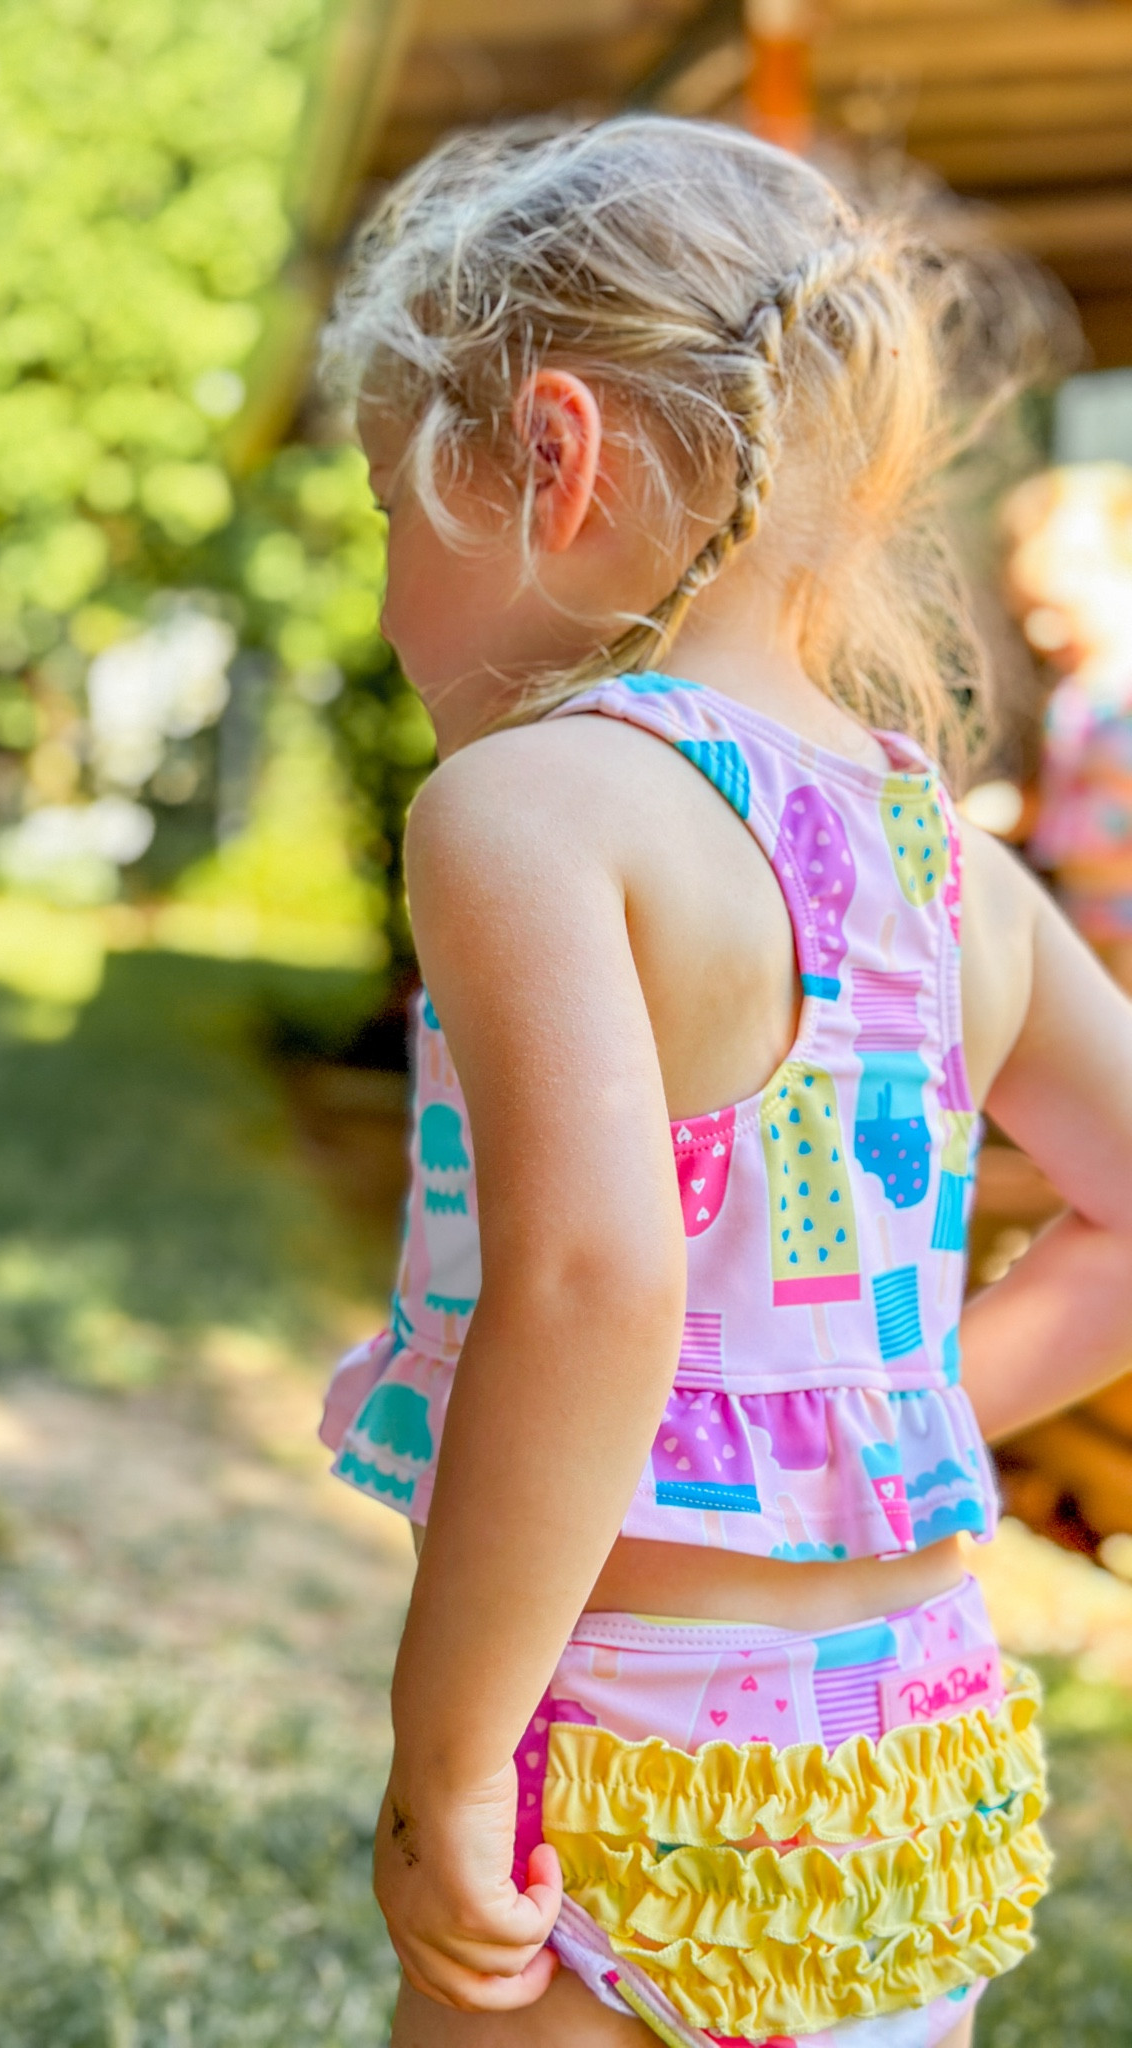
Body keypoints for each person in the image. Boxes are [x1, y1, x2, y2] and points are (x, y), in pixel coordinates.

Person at [314, 117, 1132, 2048]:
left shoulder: (523, 806)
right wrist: (915, 1405)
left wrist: (449, 1742)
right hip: (913, 1755)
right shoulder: (947, 861)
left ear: (550, 455)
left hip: (626, 1740)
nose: (380, 595)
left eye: (381, 511)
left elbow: (592, 1284)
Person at [1004, 464, 1132, 994]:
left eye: (1060, 610)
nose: (1042, 633)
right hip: (1084, 913)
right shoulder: (1073, 694)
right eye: (1033, 614)